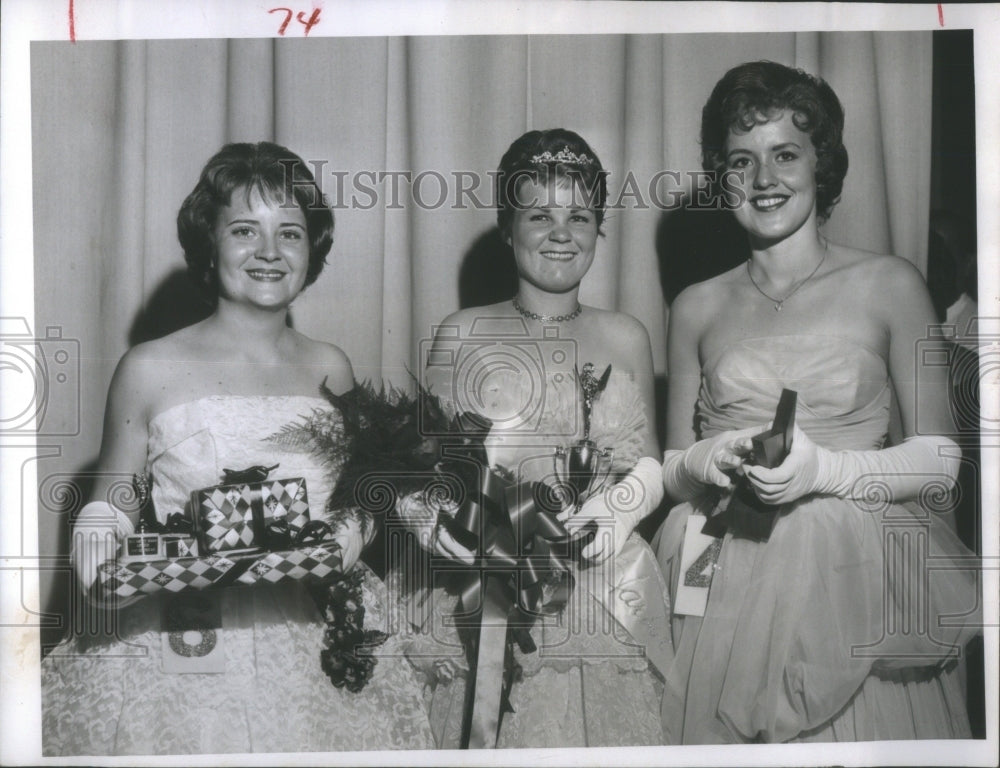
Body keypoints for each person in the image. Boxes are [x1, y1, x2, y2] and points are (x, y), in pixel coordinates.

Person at [41, 142, 434, 754]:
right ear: (209, 241)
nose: (270, 252)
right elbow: (110, 503)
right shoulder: (148, 367)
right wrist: (99, 564)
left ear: (313, 248)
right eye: (245, 230)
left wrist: (349, 538)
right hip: (188, 638)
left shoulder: (331, 365)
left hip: (316, 635)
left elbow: (362, 494)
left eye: (291, 233)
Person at [654, 61, 981, 743]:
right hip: (716, 560)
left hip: (850, 566)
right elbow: (671, 467)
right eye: (741, 160)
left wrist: (822, 473)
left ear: (822, 164)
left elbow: (942, 461)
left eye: (786, 154)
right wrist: (706, 459)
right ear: (722, 175)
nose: (764, 178)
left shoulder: (889, 284)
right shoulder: (694, 306)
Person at [397, 128, 670, 748]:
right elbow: (426, 468)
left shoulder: (627, 334)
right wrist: (433, 521)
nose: (560, 232)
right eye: (538, 214)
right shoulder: (462, 330)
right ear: (506, 227)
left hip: (602, 588)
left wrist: (616, 513)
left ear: (599, 229)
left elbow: (650, 463)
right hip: (484, 582)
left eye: (580, 215)